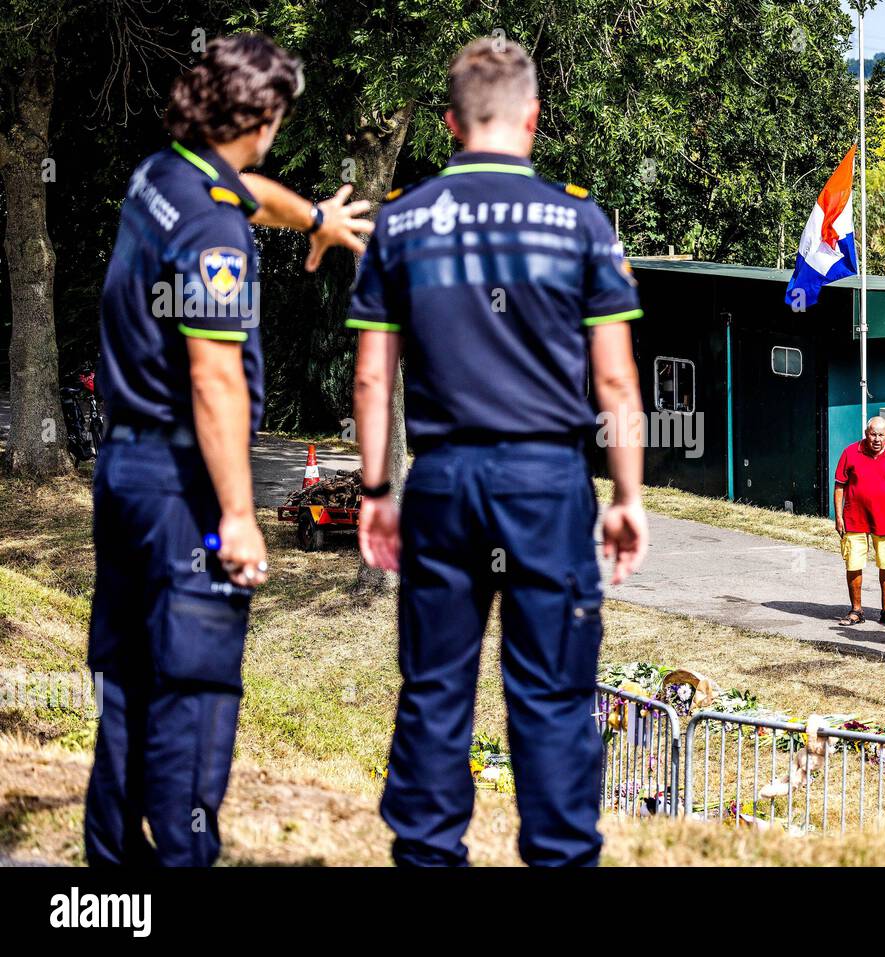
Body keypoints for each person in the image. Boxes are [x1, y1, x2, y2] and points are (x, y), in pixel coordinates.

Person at [350, 37, 649, 867]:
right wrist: (626, 495)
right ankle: (558, 855)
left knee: (436, 687)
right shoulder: (581, 222)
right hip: (549, 482)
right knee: (552, 695)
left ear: (449, 122)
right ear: (533, 116)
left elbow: (375, 378)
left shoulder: (401, 220)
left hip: (443, 482)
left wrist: (377, 488)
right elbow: (617, 382)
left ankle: (427, 853)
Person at [86, 34, 374, 867]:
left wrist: (316, 218)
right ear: (263, 117)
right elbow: (215, 381)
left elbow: (246, 192)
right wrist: (241, 517)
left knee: (129, 682)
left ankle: (111, 879)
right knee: (198, 688)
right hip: (185, 491)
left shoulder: (161, 179)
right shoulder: (214, 234)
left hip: (127, 475)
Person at [833, 416, 885, 627]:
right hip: (855, 517)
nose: (876, 439)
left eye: (881, 435)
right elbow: (840, 486)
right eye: (873, 434)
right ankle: (856, 609)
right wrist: (838, 517)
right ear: (866, 433)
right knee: (854, 563)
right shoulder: (850, 451)